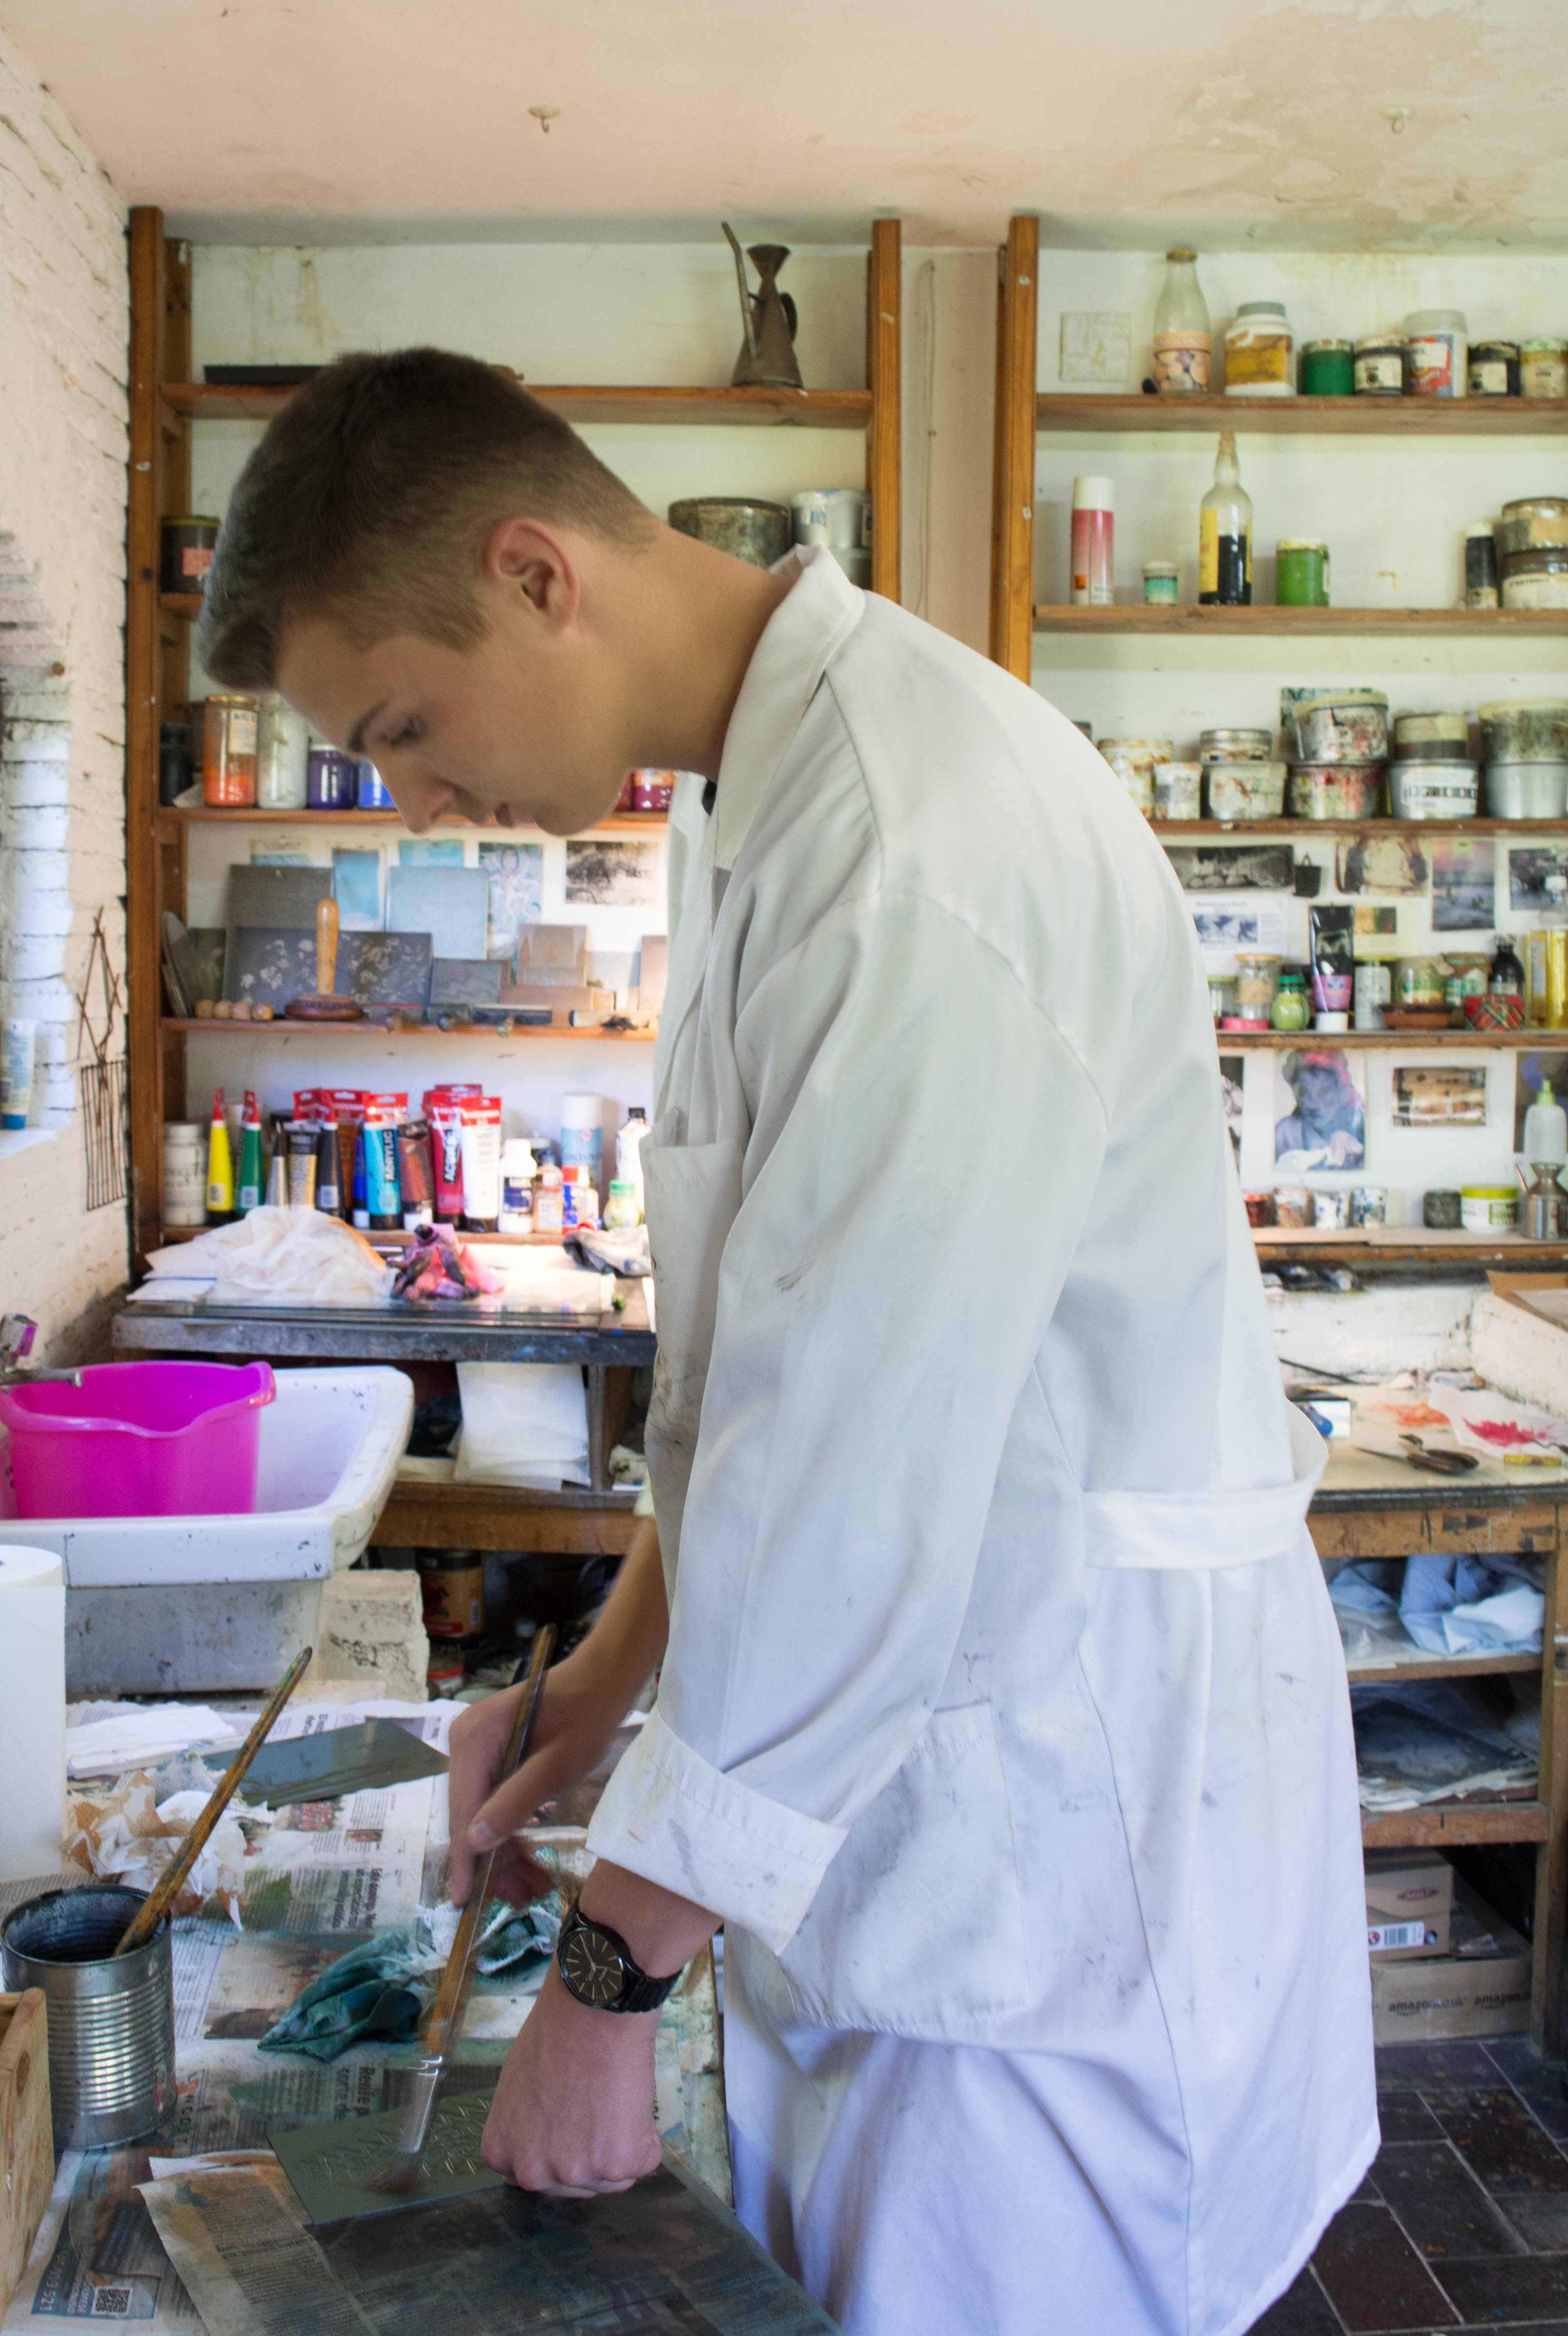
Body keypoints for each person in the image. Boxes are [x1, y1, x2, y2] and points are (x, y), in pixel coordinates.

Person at [199, 349, 1375, 2336]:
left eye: (402, 729)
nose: (415, 800)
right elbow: (772, 1377)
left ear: (533, 574)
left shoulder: (914, 844)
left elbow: (858, 1476)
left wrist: (607, 1984)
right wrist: (601, 1679)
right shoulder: (764, 794)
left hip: (1055, 1828)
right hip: (909, 1805)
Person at [1276, 1050, 1367, 1168]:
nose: (1312, 1104)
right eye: (1303, 1092)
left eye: (1324, 1092)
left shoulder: (1360, 1123)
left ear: (1341, 1090)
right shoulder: (1286, 1132)